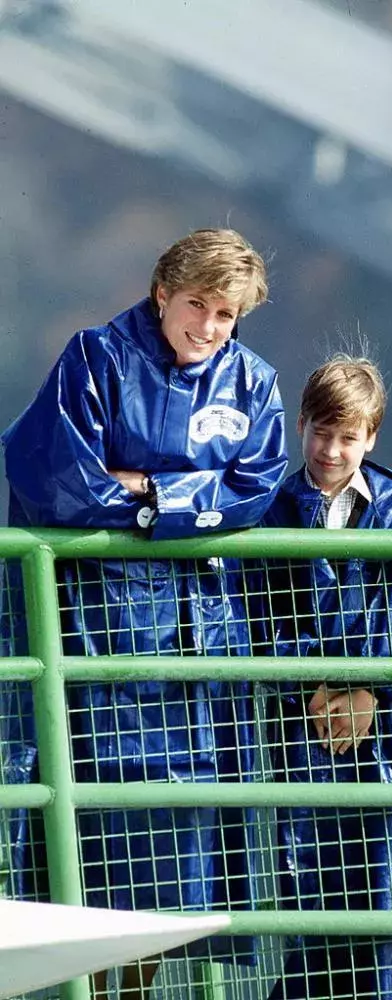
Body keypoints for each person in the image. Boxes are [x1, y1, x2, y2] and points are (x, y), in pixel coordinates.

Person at [1, 228, 288, 998]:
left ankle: (132, 990)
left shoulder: (254, 383)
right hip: (93, 633)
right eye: (197, 304)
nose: (209, 327)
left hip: (200, 653)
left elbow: (255, 488)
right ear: (163, 292)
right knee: (80, 833)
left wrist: (151, 492)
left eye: (227, 313)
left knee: (179, 852)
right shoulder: (95, 358)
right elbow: (57, 480)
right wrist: (189, 498)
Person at [260, 355, 392, 1000]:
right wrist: (311, 686)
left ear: (371, 438)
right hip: (308, 723)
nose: (331, 450)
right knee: (310, 872)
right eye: (321, 433)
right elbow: (260, 614)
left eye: (348, 437)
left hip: (391, 726)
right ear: (301, 427)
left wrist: (373, 687)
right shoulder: (272, 513)